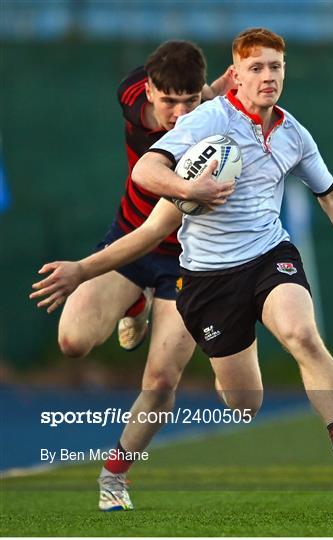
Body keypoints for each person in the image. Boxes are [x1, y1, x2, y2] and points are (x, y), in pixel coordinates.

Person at [31, 27, 333, 500]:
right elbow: (148, 192)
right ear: (237, 77)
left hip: (269, 256)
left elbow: (332, 196)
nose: (268, 76)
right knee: (243, 403)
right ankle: (135, 308)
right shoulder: (205, 124)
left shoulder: (294, 134)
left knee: (301, 334)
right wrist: (84, 268)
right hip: (202, 274)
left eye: (275, 67)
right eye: (256, 68)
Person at [38, 40, 236, 512]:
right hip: (130, 240)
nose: (180, 113)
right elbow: (154, 169)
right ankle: (136, 302)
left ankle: (114, 477)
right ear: (147, 91)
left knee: (162, 380)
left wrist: (215, 96)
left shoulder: (217, 122)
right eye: (169, 101)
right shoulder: (130, 98)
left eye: (191, 102)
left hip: (189, 263)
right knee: (72, 341)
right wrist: (191, 187)